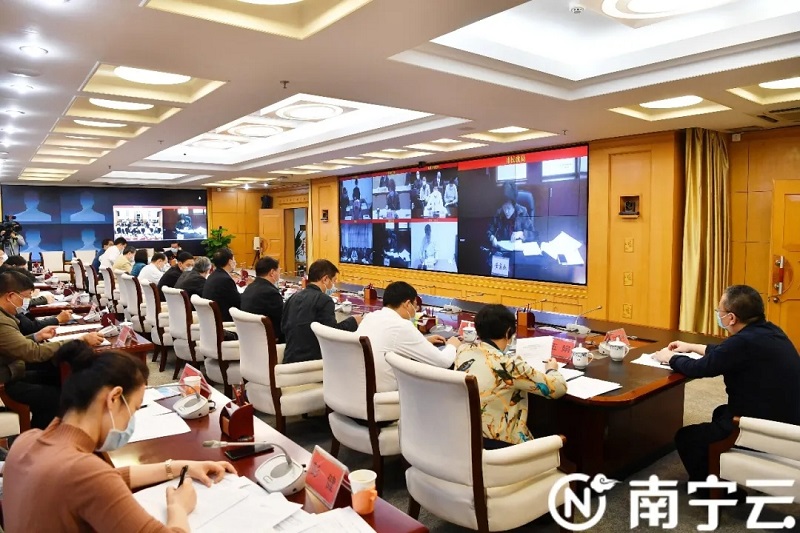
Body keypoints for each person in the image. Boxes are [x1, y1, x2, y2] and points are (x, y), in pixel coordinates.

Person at [3, 341, 237, 532]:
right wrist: (179, 508)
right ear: (114, 398)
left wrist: (179, 467)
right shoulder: (83, 473)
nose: (131, 421)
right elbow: (96, 481)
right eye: (133, 409)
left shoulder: (26, 441)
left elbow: (107, 479)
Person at [653, 285, 800, 482]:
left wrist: (670, 357)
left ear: (731, 318)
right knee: (720, 413)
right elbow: (726, 353)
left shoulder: (742, 343)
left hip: (766, 426)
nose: (718, 314)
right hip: (788, 416)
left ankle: (716, 490)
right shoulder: (770, 331)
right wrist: (691, 347)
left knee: (687, 437)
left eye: (719, 311)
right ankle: (720, 466)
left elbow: (699, 368)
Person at [0, 270, 104, 429]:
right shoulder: (2, 321)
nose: (25, 303)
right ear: (10, 296)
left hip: (11, 370)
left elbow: (12, 344)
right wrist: (79, 340)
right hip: (6, 381)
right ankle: (41, 437)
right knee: (57, 396)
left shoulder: (5, 316)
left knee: (55, 375)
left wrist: (36, 336)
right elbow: (34, 353)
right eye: (24, 298)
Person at [454, 304, 567, 448]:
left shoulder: (463, 351)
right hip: (503, 445)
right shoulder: (508, 365)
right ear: (508, 332)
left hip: (468, 438)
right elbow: (558, 388)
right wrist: (552, 369)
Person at [357, 281, 460, 392]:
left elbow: (389, 341)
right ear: (407, 304)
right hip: (387, 394)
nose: (415, 310)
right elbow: (443, 362)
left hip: (359, 388)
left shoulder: (370, 317)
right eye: (415, 306)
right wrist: (452, 345)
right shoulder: (402, 326)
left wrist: (423, 341)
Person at [281, 259, 361, 364]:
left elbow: (283, 328)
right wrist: (353, 321)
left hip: (289, 360)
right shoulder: (324, 300)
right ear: (325, 279)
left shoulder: (292, 298)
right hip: (311, 362)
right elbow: (331, 335)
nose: (334, 286)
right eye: (333, 281)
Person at [241, 257, 284, 343]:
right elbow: (284, 318)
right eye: (279, 271)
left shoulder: (249, 288)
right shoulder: (270, 293)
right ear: (272, 272)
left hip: (250, 339)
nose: (279, 274)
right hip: (269, 341)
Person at [202, 248, 243, 323]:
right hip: (224, 322)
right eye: (234, 259)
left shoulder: (213, 276)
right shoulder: (225, 280)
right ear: (230, 262)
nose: (235, 262)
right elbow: (239, 302)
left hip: (211, 320)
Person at [487, 182, 535, 248]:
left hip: (518, 251)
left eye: (509, 208)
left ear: (514, 205)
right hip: (502, 250)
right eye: (504, 208)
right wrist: (492, 237)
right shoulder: (498, 213)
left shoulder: (522, 212)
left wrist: (522, 234)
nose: (506, 212)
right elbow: (489, 231)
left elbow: (534, 234)